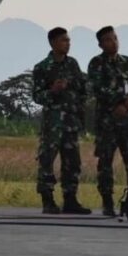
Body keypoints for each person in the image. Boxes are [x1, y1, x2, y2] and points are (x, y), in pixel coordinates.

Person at [31, 27, 92, 214]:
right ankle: (48, 200)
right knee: (47, 160)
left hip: (71, 122)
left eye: (68, 40)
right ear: (53, 43)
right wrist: (53, 91)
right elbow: (37, 96)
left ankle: (70, 199)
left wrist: (78, 102)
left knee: (72, 162)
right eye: (64, 40)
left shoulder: (72, 64)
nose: (68, 43)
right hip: (53, 123)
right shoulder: (42, 68)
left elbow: (83, 89)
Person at [87, 26, 128, 217]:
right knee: (105, 163)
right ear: (101, 44)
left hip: (127, 123)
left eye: (115, 38)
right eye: (109, 40)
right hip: (107, 121)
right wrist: (119, 101)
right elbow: (97, 88)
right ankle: (107, 203)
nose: (114, 42)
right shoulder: (96, 63)